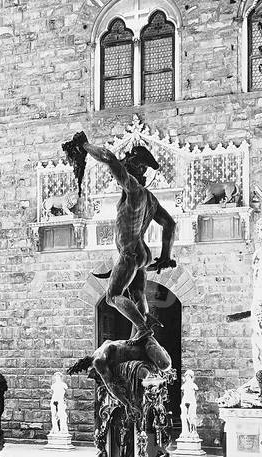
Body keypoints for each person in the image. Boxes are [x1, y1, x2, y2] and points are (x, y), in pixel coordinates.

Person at [63, 131, 177, 340]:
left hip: (129, 252)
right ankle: (144, 325)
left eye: (129, 162)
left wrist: (86, 146)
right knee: (137, 294)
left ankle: (142, 328)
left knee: (112, 296)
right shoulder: (150, 198)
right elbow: (169, 224)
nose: (123, 166)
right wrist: (166, 256)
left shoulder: (133, 188)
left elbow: (109, 158)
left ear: (137, 167)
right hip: (142, 252)